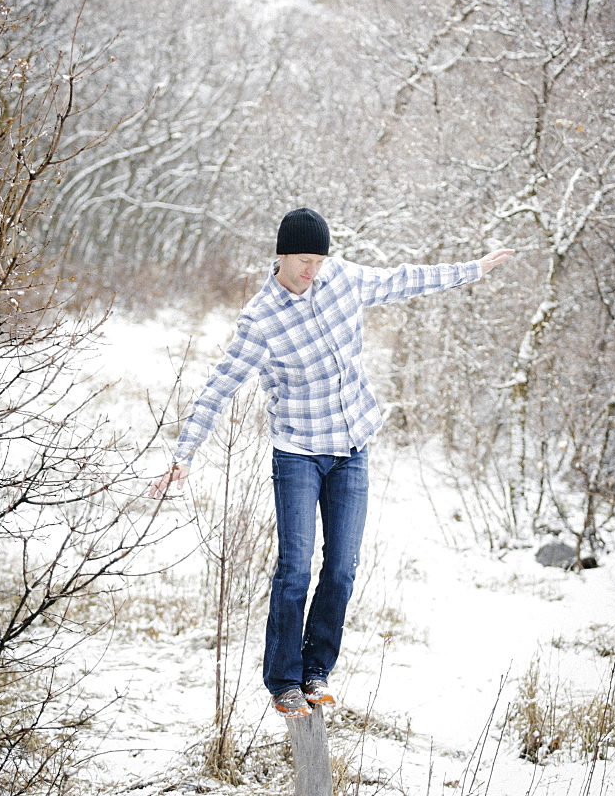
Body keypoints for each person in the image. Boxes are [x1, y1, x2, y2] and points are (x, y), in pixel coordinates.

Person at [149, 208, 514, 718]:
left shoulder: (340, 278)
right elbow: (219, 388)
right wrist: (182, 455)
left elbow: (402, 280)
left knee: (341, 570)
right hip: (298, 453)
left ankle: (316, 669)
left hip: (352, 448)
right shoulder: (261, 319)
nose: (312, 271)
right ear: (280, 255)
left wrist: (473, 269)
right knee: (295, 570)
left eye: (319, 260)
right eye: (303, 261)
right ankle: (283, 681)